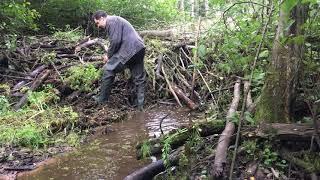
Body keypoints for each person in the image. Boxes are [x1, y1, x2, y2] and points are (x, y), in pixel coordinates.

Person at [77, 10, 146, 110]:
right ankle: (140, 107)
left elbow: (116, 41)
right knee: (139, 79)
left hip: (129, 49)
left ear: (102, 18)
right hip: (139, 48)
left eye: (97, 23)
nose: (98, 26)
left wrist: (108, 55)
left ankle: (102, 99)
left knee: (109, 69)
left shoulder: (112, 21)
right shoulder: (116, 21)